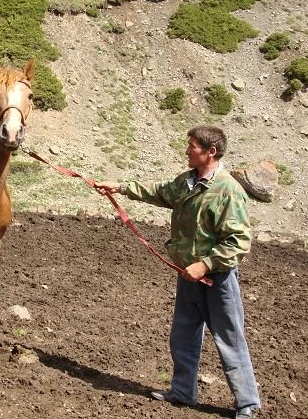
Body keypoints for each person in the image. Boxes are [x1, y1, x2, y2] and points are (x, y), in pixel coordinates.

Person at [95, 125, 260, 419]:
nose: (187, 151)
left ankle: (247, 404)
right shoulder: (186, 182)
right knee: (183, 336)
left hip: (217, 280)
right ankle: (183, 392)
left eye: (193, 146)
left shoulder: (228, 191)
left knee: (229, 339)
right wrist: (120, 188)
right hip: (187, 277)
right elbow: (159, 191)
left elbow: (239, 242)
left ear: (211, 152)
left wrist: (205, 264)